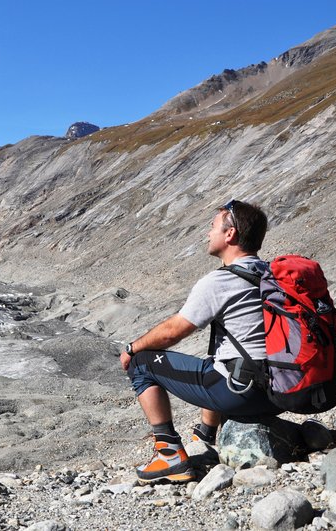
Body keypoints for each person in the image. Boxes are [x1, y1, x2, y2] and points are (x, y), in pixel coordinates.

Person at [120, 199, 280, 483]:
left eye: (213, 227)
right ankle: (206, 435)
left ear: (230, 235)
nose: (208, 233)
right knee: (216, 362)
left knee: (142, 363)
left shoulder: (220, 281)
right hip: (281, 393)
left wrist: (133, 347)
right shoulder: (273, 274)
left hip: (243, 394)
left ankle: (168, 454)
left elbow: (174, 331)